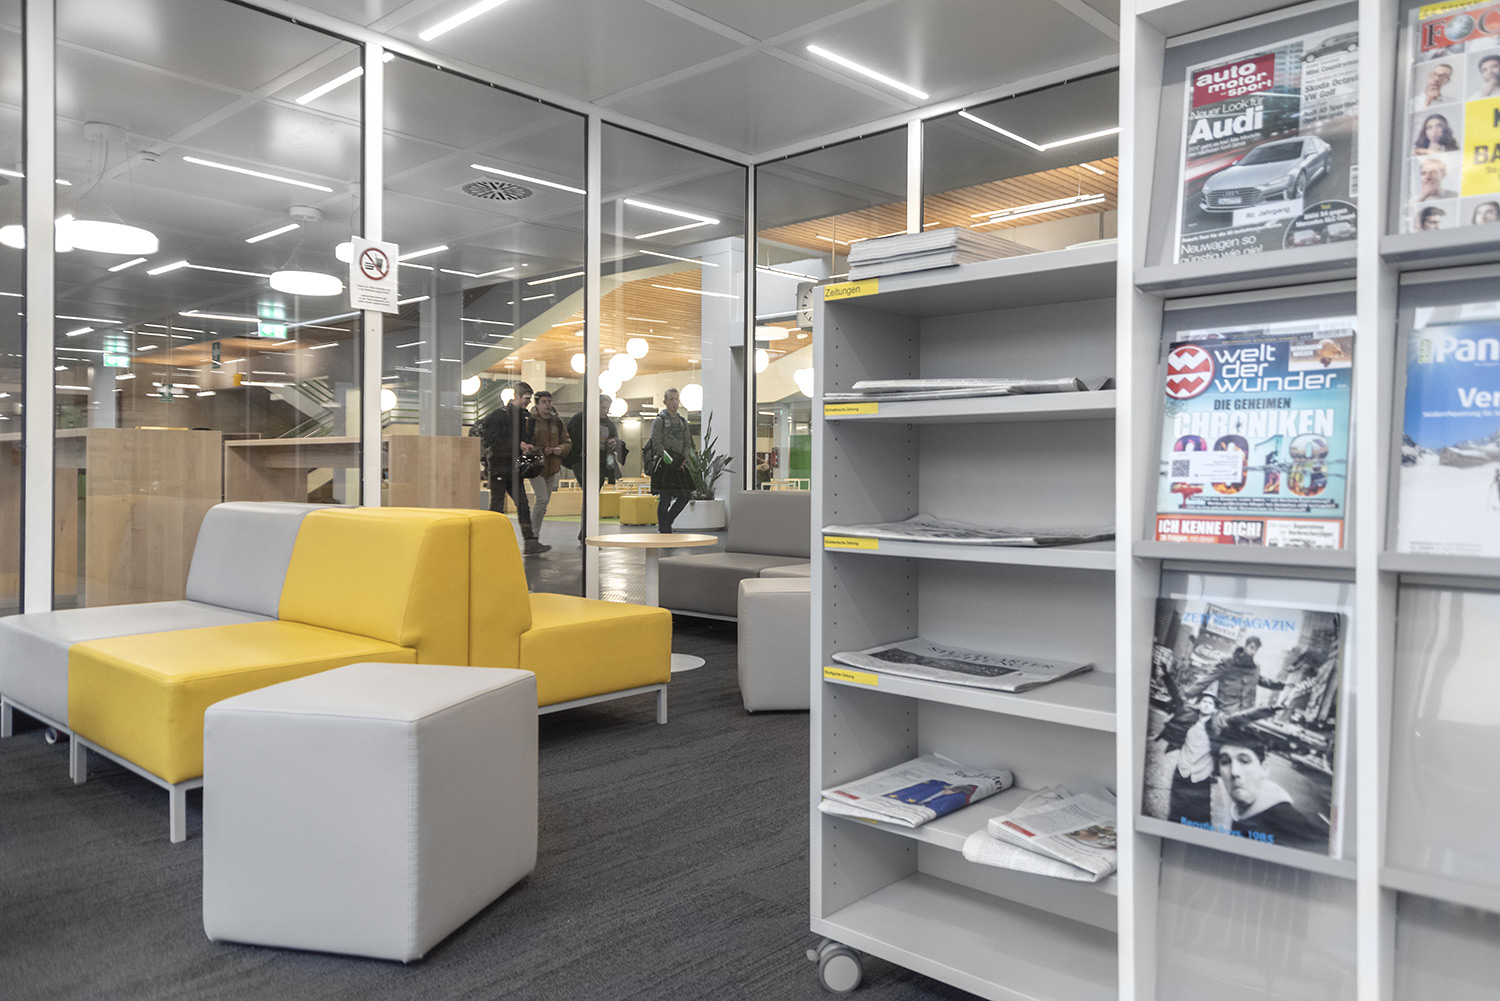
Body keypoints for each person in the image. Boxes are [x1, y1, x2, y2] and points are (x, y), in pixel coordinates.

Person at [1215, 725, 1326, 850]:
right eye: (1225, 762)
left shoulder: (1287, 821)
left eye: (1244, 761)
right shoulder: (1237, 811)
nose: (1234, 772)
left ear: (1264, 769)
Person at [469, 381, 548, 555]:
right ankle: (491, 541)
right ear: (517, 396)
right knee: (498, 506)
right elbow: (492, 440)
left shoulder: (523, 417)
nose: (528, 401)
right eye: (526, 398)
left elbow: (518, 438)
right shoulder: (500, 415)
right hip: (499, 467)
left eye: (529, 398)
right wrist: (518, 444)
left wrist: (526, 445)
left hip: (512, 468)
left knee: (521, 505)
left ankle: (529, 542)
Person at [564, 395, 621, 543]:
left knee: (592, 496)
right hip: (581, 462)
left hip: (600, 463)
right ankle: (587, 532)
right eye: (603, 407)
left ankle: (585, 532)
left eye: (607, 408)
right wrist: (578, 451)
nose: (605, 411)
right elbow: (569, 437)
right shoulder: (580, 418)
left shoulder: (610, 424)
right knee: (590, 494)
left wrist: (614, 442)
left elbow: (616, 441)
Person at [528, 389, 571, 545]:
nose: (547, 405)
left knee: (544, 503)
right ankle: (532, 535)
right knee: (542, 499)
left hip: (552, 467)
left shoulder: (557, 422)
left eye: (549, 402)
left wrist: (561, 449)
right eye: (544, 402)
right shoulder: (530, 421)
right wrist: (541, 450)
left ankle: (534, 534)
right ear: (537, 404)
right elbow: (526, 443)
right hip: (536, 467)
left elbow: (567, 442)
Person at [650, 387, 694, 534]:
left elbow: (687, 443)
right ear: (665, 402)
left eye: (676, 399)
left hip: (680, 464)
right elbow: (656, 443)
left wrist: (682, 459)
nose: (674, 402)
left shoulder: (682, 422)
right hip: (664, 464)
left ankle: (666, 522)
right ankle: (665, 530)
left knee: (685, 495)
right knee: (665, 499)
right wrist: (671, 461)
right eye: (671, 399)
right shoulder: (659, 421)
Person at [1185, 635, 1262, 714]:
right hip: (1226, 709)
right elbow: (1208, 679)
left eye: (1256, 650)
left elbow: (1260, 680)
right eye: (1251, 648)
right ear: (1245, 646)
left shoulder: (1255, 668)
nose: (1253, 652)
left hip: (1244, 712)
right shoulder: (1228, 662)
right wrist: (1188, 694)